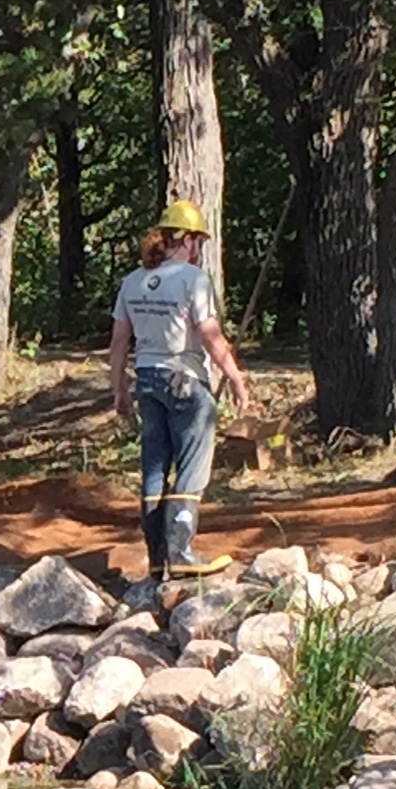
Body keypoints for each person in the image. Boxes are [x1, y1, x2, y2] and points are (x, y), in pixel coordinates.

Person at [109, 200, 253, 582]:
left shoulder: (132, 281)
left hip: (147, 380)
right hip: (185, 379)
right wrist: (235, 377)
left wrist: (119, 390)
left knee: (155, 465)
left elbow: (119, 342)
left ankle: (158, 557)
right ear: (187, 239)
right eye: (198, 241)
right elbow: (210, 336)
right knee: (193, 463)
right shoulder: (193, 279)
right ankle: (182, 552)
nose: (198, 248)